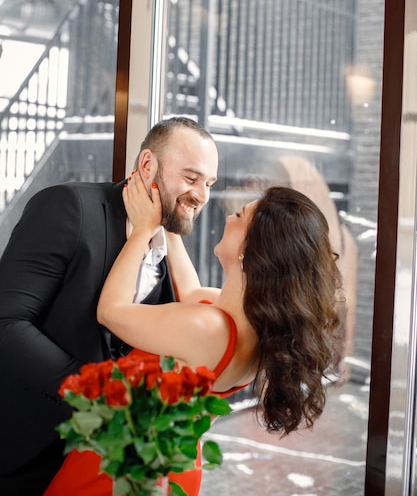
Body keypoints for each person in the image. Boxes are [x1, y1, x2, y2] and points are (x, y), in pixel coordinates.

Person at [45, 173, 344, 496]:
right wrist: (168, 213)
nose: (229, 216)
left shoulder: (209, 328)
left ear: (251, 251)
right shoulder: (250, 322)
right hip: (169, 466)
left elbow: (111, 311)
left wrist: (143, 231)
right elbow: (188, 291)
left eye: (240, 216)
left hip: (127, 469)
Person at [0, 116, 219, 496]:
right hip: (25, 451)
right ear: (148, 165)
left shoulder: (175, 252)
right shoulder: (70, 207)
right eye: (191, 178)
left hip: (105, 466)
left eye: (208, 184)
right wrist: (97, 396)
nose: (201, 195)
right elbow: (7, 321)